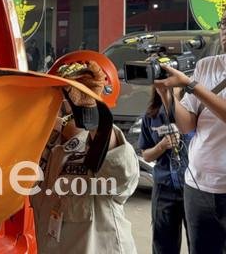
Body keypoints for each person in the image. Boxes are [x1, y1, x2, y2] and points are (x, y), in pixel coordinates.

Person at [31, 53, 139, 254]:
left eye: (57, 93)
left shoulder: (101, 145)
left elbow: (122, 175)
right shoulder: (46, 148)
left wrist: (91, 112)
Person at [154, 17, 226, 254]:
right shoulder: (206, 66)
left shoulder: (196, 79)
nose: (225, 30)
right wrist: (167, 94)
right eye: (224, 23)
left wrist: (191, 85)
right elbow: (187, 125)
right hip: (199, 185)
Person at [139, 86, 190, 254]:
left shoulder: (193, 110)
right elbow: (145, 155)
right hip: (164, 189)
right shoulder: (151, 116)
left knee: (201, 244)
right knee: (163, 247)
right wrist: (161, 146)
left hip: (193, 189)